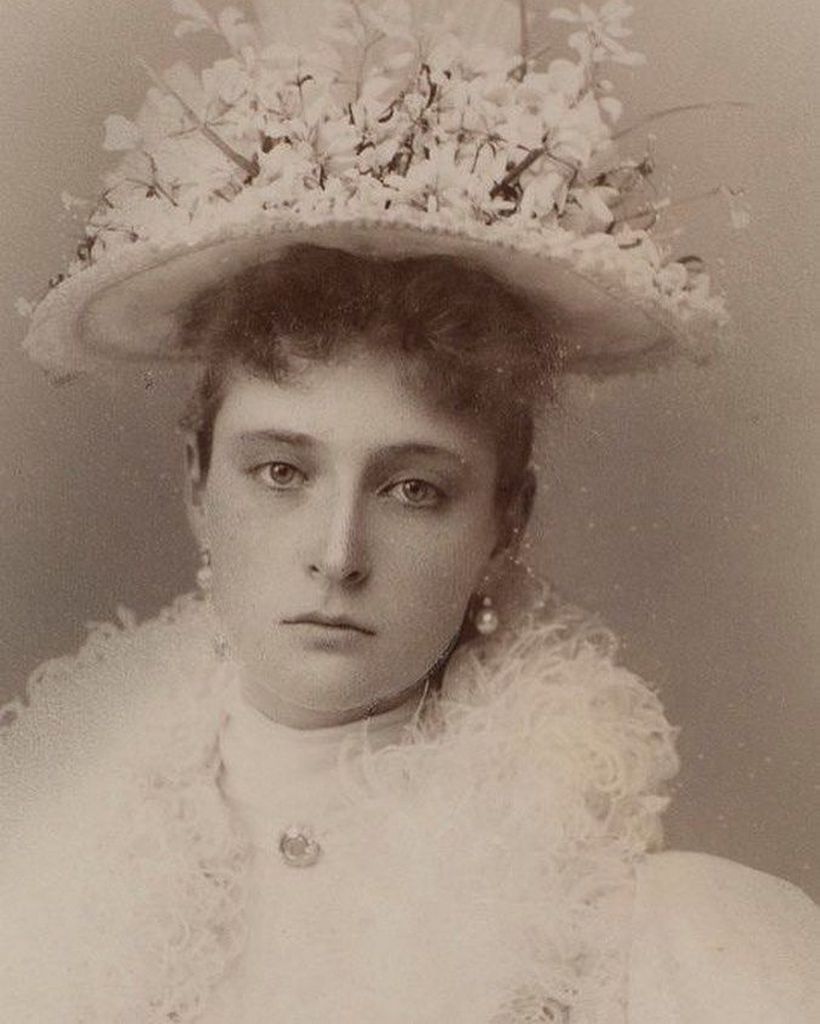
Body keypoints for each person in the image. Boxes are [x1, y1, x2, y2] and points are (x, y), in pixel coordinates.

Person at [1, 2, 817, 1022]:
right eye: (281, 473)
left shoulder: (640, 940)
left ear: (506, 524)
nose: (337, 554)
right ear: (197, 484)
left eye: (413, 489)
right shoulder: (35, 872)